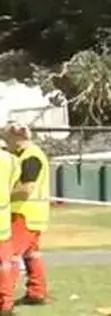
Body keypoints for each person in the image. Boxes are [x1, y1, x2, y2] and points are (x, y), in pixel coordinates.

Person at [6, 123, 50, 306]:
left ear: (16, 138)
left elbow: (26, 188)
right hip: (34, 215)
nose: (5, 143)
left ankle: (4, 299)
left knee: (10, 257)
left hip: (24, 214)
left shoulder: (31, 157)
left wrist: (4, 195)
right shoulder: (25, 155)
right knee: (32, 255)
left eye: (7, 139)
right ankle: (37, 292)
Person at [0, 146, 18, 316]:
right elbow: (13, 184)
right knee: (4, 263)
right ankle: (6, 302)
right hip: (3, 215)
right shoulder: (11, 159)